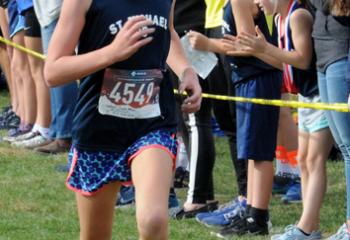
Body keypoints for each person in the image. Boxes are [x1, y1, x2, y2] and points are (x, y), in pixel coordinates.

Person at [44, 1, 202, 239]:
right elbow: (53, 71)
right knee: (95, 235)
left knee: (154, 220)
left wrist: (186, 71)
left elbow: (168, 33)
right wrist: (112, 52)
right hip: (98, 128)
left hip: (152, 124)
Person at [236, 0, 334, 238]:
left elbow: (302, 59)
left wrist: (265, 48)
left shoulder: (298, 15)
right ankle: (310, 227)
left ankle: (306, 227)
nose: (257, 2)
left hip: (320, 94)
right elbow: (284, 61)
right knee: (303, 160)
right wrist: (259, 50)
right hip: (304, 96)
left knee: (314, 159)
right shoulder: (280, 20)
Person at [186, 0, 282, 236]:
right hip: (247, 77)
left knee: (259, 151)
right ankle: (250, 211)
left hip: (258, 76)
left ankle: (258, 217)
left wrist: (209, 44)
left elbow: (248, 44)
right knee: (250, 149)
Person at [32, 0, 77, 154]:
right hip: (48, 10)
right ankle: (57, 131)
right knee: (52, 71)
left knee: (60, 72)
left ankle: (65, 134)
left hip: (58, 9)